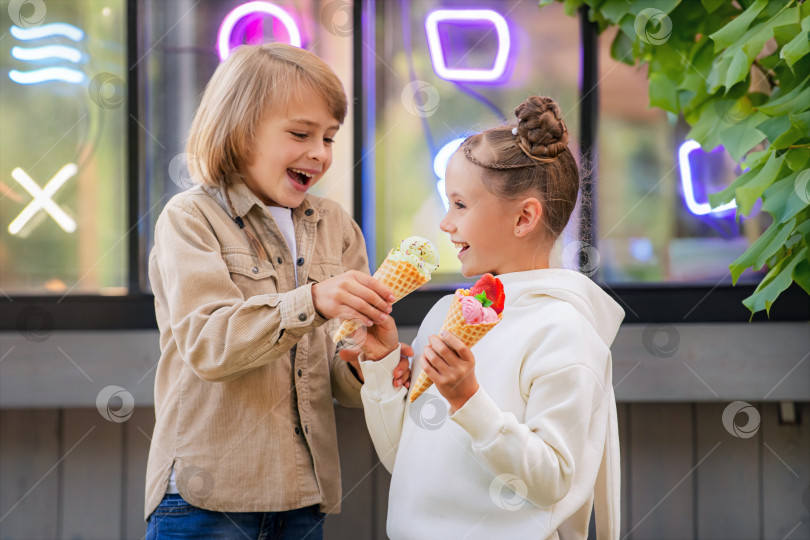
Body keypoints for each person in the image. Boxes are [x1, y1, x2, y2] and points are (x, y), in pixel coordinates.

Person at [144, 43, 410, 539]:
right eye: (300, 133)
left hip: (304, 502)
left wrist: (368, 361)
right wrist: (311, 301)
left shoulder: (338, 227)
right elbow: (208, 345)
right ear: (240, 131)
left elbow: (337, 381)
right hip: (206, 502)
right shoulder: (191, 218)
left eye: (329, 137)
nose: (320, 153)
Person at [349, 96, 625, 539]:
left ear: (524, 217)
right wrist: (381, 367)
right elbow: (404, 460)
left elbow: (552, 480)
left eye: (459, 204)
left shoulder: (565, 331)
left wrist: (467, 398)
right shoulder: (447, 312)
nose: (445, 223)